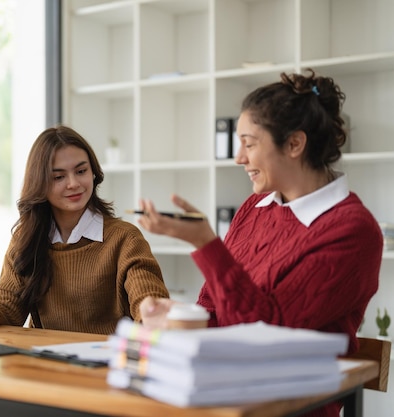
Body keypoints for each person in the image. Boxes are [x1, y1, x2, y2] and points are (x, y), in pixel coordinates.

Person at [137, 70, 383, 350]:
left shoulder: (353, 231)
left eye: (249, 144)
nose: (239, 158)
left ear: (294, 144)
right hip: (233, 378)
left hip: (300, 391)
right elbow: (221, 315)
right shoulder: (255, 207)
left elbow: (266, 334)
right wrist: (179, 318)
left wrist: (205, 243)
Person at [0, 124, 169, 335]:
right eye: (58, 177)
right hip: (45, 365)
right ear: (39, 183)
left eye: (81, 171)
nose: (73, 183)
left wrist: (151, 309)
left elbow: (146, 295)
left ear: (94, 173)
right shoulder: (26, 238)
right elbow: (7, 316)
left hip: (107, 367)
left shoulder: (124, 237)